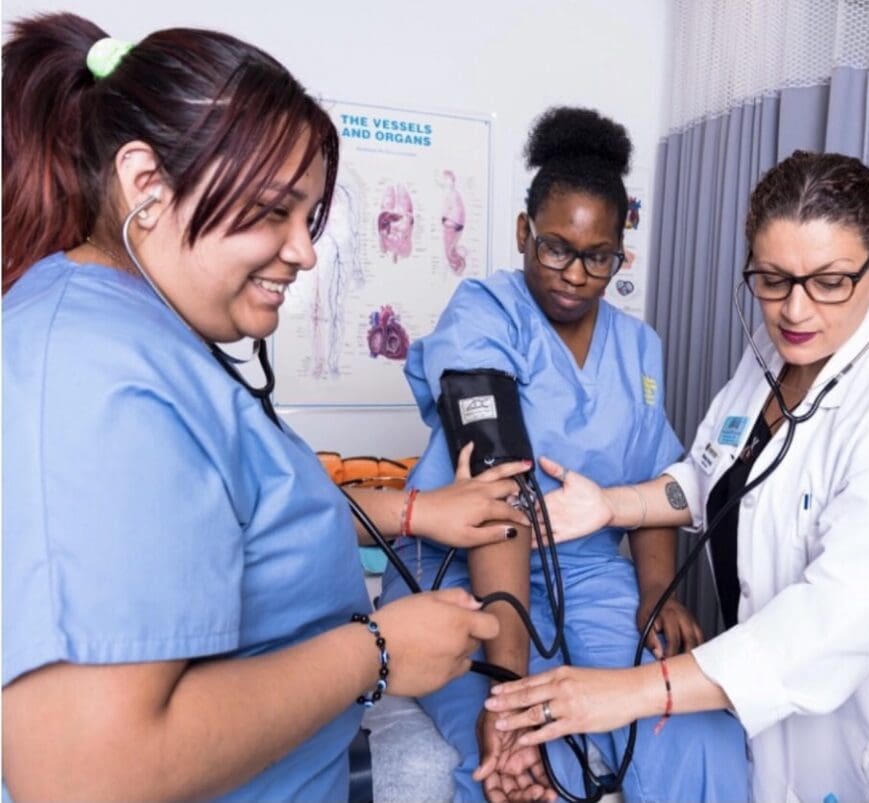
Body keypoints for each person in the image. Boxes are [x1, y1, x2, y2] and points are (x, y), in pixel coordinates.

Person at [1, 14, 532, 801]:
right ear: (147, 184)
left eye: (309, 217)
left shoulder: (150, 344)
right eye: (275, 212)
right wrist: (377, 651)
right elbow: (86, 771)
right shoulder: (89, 373)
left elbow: (233, 514)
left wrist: (417, 510)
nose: (305, 250)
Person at [484, 150, 869, 803]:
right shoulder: (768, 362)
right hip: (788, 736)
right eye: (773, 278)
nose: (795, 309)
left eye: (829, 281)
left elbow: (833, 620)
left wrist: (628, 690)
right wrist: (609, 506)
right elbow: (710, 481)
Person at [378, 106, 749, 802]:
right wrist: (511, 678)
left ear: (620, 254)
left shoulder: (639, 348)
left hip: (585, 570)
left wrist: (654, 595)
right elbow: (496, 487)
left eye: (597, 257)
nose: (575, 274)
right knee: (524, 751)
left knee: (697, 737)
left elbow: (656, 480)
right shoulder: (485, 313)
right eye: (555, 248)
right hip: (467, 562)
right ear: (524, 232)